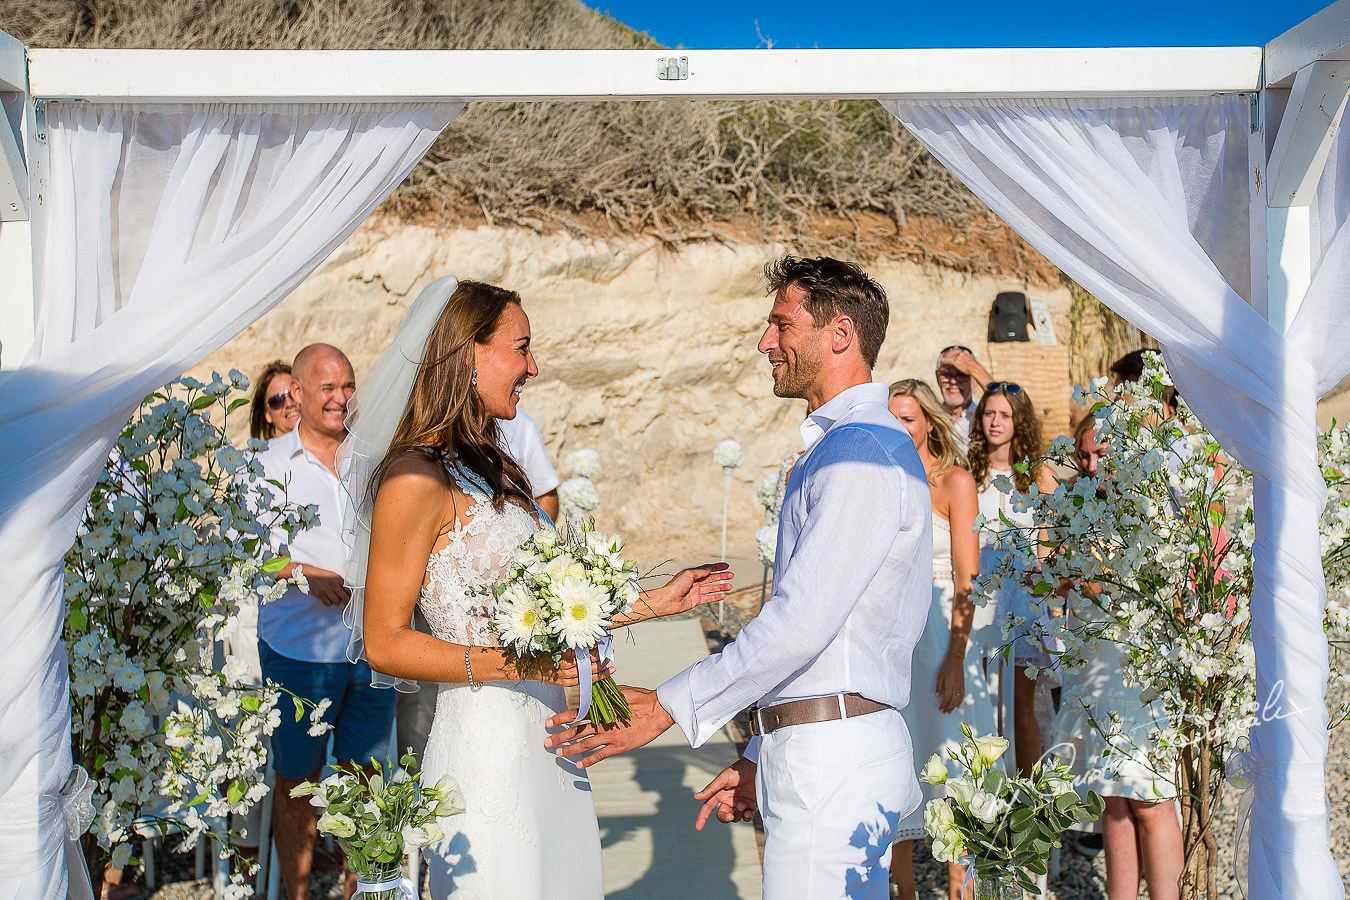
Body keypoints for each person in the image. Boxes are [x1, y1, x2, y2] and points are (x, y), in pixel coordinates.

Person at [546, 256, 932, 900]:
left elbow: (802, 622)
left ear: (841, 334)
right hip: (819, 746)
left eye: (782, 324)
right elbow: (837, 633)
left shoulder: (861, 450)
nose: (765, 341)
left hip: (831, 762)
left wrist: (668, 704)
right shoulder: (847, 444)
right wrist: (760, 751)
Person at [347, 276, 732, 898]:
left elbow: (547, 610)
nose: (533, 365)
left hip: (553, 740)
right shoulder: (414, 478)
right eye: (521, 348)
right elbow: (386, 643)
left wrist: (656, 603)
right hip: (487, 744)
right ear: (468, 354)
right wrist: (524, 662)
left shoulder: (492, 466)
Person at [253, 343, 395, 900]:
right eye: (328, 389)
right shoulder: (263, 466)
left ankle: (365, 892)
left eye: (348, 386)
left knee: (368, 781)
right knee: (297, 785)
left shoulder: (375, 456)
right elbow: (245, 550)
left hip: (372, 644)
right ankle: (297, 894)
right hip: (298, 655)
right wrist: (305, 574)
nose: (341, 399)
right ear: (299, 395)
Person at [1048, 414, 1184, 900]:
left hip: (1137, 665)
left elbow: (1158, 590)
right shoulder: (1077, 503)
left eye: (1100, 455)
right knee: (1113, 800)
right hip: (1092, 663)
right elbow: (1056, 571)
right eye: (1083, 455)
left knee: (1150, 798)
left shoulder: (1150, 504)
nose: (1090, 465)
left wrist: (1091, 583)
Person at [885, 379, 992, 900]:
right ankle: (903, 891)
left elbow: (968, 576)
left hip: (940, 635)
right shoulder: (878, 479)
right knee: (896, 765)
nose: (900, 427)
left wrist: (956, 654)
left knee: (954, 772)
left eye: (908, 417)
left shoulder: (955, 482)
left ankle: (961, 893)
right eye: (891, 418)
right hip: (890, 640)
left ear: (928, 420)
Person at [966, 381, 1057, 777]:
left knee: (1020, 707)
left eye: (1005, 414)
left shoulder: (1037, 475)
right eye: (989, 413)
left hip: (1020, 599)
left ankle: (1028, 801)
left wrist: (1045, 589)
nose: (996, 422)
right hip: (978, 595)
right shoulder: (968, 470)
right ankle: (981, 799)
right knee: (979, 703)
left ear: (1019, 421)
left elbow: (1047, 543)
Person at [934, 345, 993, 448]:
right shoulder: (932, 418)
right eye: (946, 374)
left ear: (974, 380)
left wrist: (975, 369)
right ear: (937, 377)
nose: (953, 381)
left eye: (961, 374)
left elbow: (1015, 413)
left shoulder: (987, 415)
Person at [249, 359, 301, 441]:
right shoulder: (266, 454)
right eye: (277, 400)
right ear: (267, 414)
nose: (289, 404)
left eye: (293, 394)